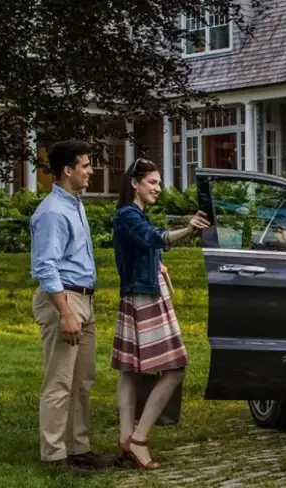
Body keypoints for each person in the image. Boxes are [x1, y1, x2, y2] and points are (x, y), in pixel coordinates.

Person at [110, 158, 209, 469]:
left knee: (130, 371)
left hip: (139, 295)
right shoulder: (128, 214)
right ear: (135, 183)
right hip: (145, 299)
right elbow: (153, 237)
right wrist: (189, 230)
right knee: (175, 369)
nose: (158, 188)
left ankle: (127, 438)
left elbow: (147, 244)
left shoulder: (132, 215)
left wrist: (156, 262)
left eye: (159, 182)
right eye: (152, 182)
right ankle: (139, 439)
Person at [30, 139, 114, 475]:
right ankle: (54, 456)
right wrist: (65, 312)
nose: (91, 171)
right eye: (86, 165)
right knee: (59, 382)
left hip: (84, 299)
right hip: (63, 300)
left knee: (82, 379)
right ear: (68, 170)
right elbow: (46, 267)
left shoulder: (74, 204)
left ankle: (78, 447)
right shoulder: (51, 212)